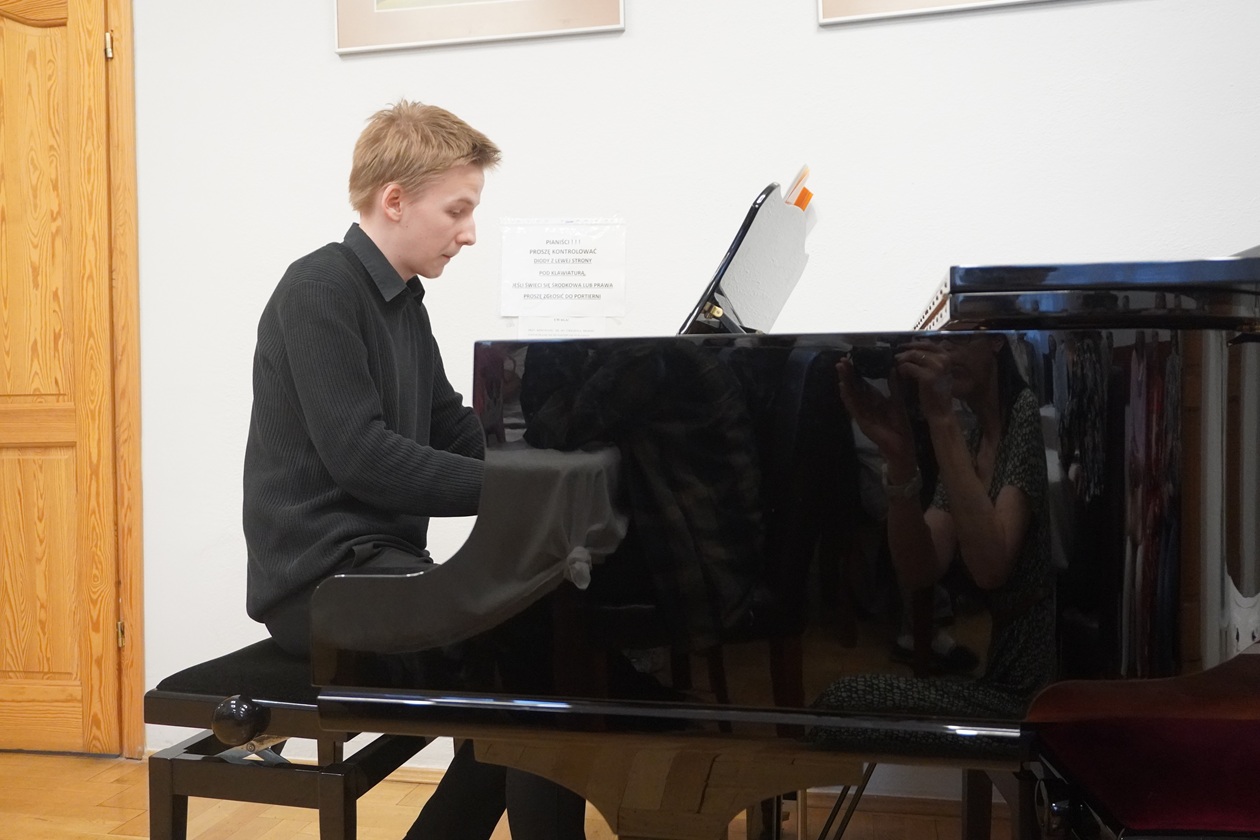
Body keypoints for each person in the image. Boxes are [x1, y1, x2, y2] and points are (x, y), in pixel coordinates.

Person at [242, 100, 586, 839]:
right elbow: (364, 459)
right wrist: (526, 489)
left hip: (378, 569)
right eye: (458, 210)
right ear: (394, 200)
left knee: (542, 655)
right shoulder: (318, 290)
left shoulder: (404, 304)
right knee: (536, 660)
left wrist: (550, 464)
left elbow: (454, 427)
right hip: (319, 586)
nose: (470, 232)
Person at [809, 334, 1053, 751]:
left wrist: (941, 419)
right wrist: (899, 460)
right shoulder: (975, 438)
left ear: (996, 338)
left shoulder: (1023, 412)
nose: (943, 349)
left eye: (958, 332)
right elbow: (919, 568)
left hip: (1031, 696)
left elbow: (991, 567)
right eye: (936, 336)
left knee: (844, 703)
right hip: (998, 679)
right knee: (840, 704)